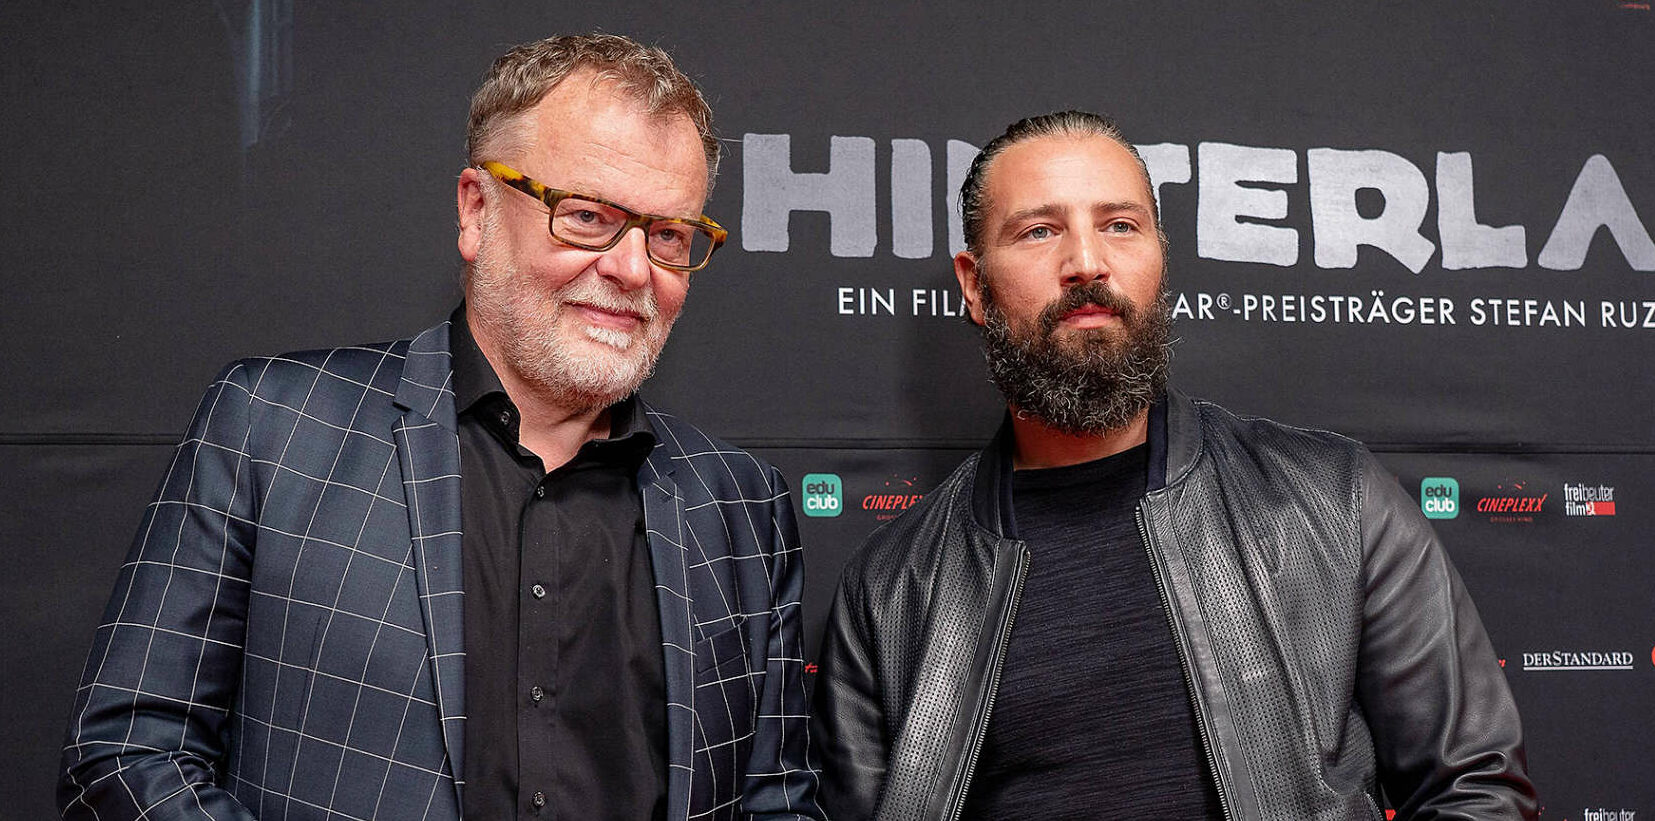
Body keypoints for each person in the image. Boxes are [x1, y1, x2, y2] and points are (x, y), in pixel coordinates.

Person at [59, 34, 822, 821]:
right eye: (588, 216)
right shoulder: (273, 427)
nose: (633, 269)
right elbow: (127, 753)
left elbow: (776, 802)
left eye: (667, 235)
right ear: (476, 209)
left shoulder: (741, 506)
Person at [811, 111, 1538, 820]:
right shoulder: (890, 589)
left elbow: (1474, 789)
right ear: (974, 285)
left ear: (1158, 255)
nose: (1086, 262)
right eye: (1039, 230)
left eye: (1119, 225)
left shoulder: (1333, 500)